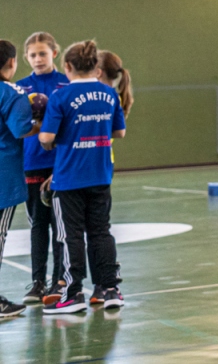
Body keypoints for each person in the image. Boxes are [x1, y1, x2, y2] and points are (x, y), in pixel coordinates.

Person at [38, 39, 125, 314]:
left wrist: (41, 130)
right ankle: (109, 289)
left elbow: (47, 139)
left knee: (70, 236)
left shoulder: (60, 97)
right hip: (100, 176)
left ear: (67, 66)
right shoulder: (109, 94)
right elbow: (119, 132)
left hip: (68, 180)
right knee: (101, 232)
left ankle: (73, 293)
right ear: (94, 66)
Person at [15, 31, 67, 305]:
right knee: (38, 225)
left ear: (54, 54)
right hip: (32, 164)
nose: (38, 59)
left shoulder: (66, 84)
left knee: (61, 225)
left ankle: (60, 279)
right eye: (33, 55)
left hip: (62, 166)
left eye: (43, 54)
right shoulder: (20, 88)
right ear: (25, 58)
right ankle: (37, 282)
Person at [0, 40, 36, 319]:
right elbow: (21, 130)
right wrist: (41, 117)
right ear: (12, 62)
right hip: (4, 178)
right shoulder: (12, 93)